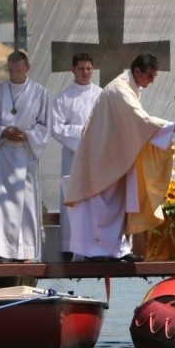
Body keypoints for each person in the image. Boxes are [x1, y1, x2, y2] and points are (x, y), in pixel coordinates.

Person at [64, 53, 175, 262]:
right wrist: (172, 126)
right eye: (149, 76)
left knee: (118, 203)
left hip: (114, 154)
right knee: (101, 204)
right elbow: (138, 119)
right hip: (102, 157)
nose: (152, 80)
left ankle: (116, 250)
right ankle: (96, 251)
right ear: (138, 71)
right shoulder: (120, 89)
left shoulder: (130, 87)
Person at [0, 50, 50, 262]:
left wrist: (27, 135)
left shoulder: (39, 92)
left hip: (26, 153)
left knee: (26, 207)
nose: (15, 74)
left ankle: (25, 252)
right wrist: (1, 132)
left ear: (27, 68)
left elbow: (45, 126)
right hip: (2, 152)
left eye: (19, 70)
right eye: (11, 70)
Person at [51, 52, 103, 259]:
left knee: (95, 200)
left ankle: (96, 245)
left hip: (97, 157)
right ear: (73, 69)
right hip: (73, 158)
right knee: (72, 201)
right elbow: (56, 128)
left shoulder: (101, 95)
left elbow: (108, 123)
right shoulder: (64, 97)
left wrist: (94, 135)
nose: (85, 72)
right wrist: (83, 132)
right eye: (81, 68)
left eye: (89, 68)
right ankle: (70, 246)